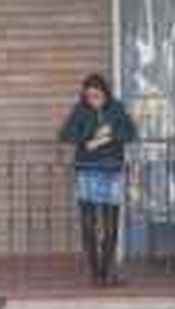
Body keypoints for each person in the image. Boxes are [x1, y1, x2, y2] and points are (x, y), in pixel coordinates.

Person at [58, 73, 136, 285]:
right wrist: (91, 135)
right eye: (90, 96)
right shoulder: (80, 110)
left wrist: (110, 134)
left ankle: (106, 270)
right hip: (87, 170)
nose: (94, 100)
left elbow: (131, 133)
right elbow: (65, 135)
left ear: (105, 93)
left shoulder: (116, 108)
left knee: (111, 225)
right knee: (88, 224)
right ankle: (95, 272)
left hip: (112, 171)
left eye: (97, 96)